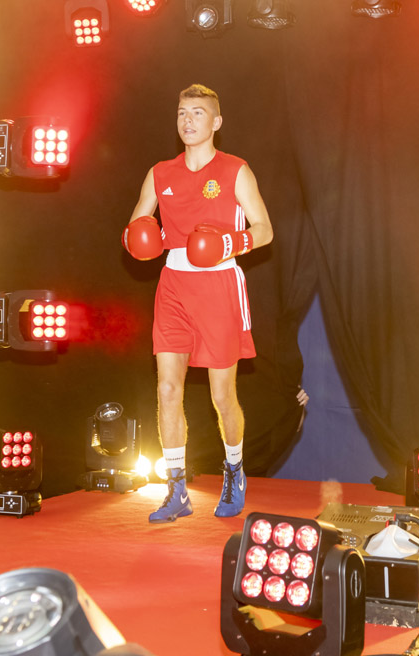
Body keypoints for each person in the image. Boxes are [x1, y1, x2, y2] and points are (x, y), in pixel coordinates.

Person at [122, 84, 273, 523]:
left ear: (216, 122)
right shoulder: (160, 173)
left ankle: (234, 470)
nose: (188, 120)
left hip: (219, 285)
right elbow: (136, 225)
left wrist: (228, 243)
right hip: (173, 285)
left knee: (222, 395)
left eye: (198, 113)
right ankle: (176, 490)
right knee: (167, 389)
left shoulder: (235, 170)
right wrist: (138, 238)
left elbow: (264, 229)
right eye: (182, 113)